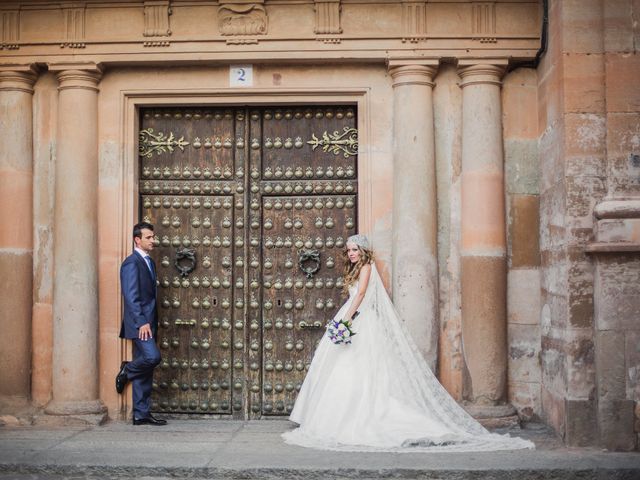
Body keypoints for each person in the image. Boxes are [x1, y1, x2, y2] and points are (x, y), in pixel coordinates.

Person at [282, 234, 534, 452]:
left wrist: (346, 320)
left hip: (359, 318)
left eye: (355, 250)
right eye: (349, 250)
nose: (351, 254)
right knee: (345, 365)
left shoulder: (367, 267)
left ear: (364, 251)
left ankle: (359, 415)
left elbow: (360, 295)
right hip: (353, 316)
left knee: (361, 367)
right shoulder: (356, 268)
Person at [115, 222, 167, 426]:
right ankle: (127, 370)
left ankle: (141, 413)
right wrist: (142, 322)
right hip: (140, 324)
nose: (153, 240)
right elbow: (131, 296)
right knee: (152, 357)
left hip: (149, 322)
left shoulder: (149, 262)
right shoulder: (131, 263)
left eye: (153, 237)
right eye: (149, 237)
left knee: (146, 370)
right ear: (137, 240)